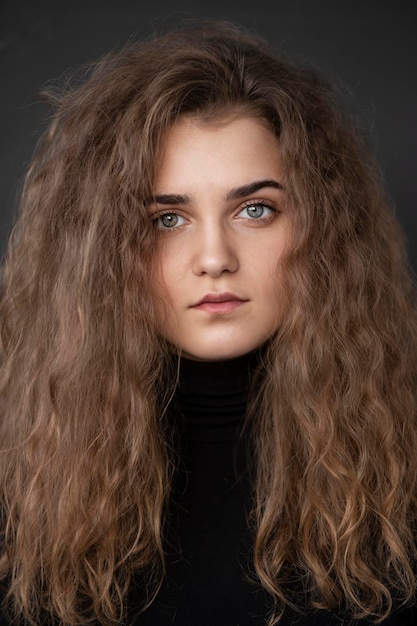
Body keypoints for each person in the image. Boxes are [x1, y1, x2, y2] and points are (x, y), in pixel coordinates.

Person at [0, 19, 416, 626]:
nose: (215, 258)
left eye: (255, 210)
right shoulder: (21, 491)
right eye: (167, 219)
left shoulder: (399, 474)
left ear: (324, 229)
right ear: (97, 251)